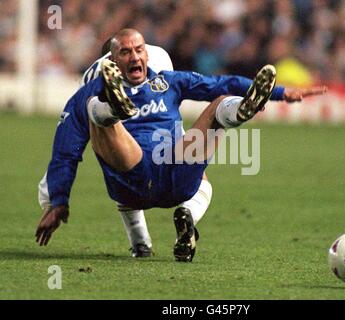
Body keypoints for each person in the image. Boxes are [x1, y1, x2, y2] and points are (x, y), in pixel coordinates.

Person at [35, 28, 326, 262]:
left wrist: (277, 92)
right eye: (125, 52)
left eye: (138, 50)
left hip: (172, 173)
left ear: (146, 55)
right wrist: (58, 200)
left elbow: (219, 83)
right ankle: (112, 109)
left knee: (220, 102)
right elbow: (66, 147)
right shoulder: (88, 91)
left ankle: (241, 110)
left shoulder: (168, 81)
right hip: (132, 173)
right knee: (94, 112)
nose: (134, 56)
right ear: (111, 63)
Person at [42, 37, 212, 259]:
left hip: (124, 145)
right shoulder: (156, 55)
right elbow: (170, 110)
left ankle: (140, 243)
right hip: (159, 137)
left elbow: (69, 147)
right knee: (200, 181)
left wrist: (54, 199)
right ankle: (187, 211)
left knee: (118, 171)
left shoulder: (89, 79)